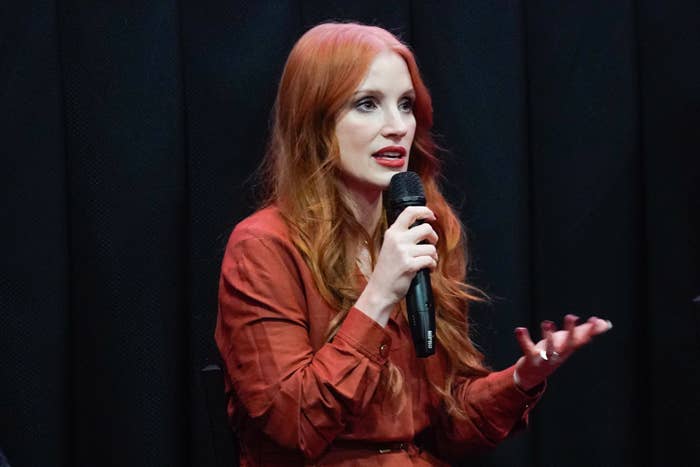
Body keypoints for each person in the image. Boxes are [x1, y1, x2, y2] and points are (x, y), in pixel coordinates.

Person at [215, 22, 612, 466]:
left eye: (406, 105)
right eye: (368, 104)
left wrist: (521, 378)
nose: (397, 127)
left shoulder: (424, 229)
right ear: (313, 119)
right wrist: (380, 294)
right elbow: (295, 425)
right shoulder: (263, 247)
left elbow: (447, 427)